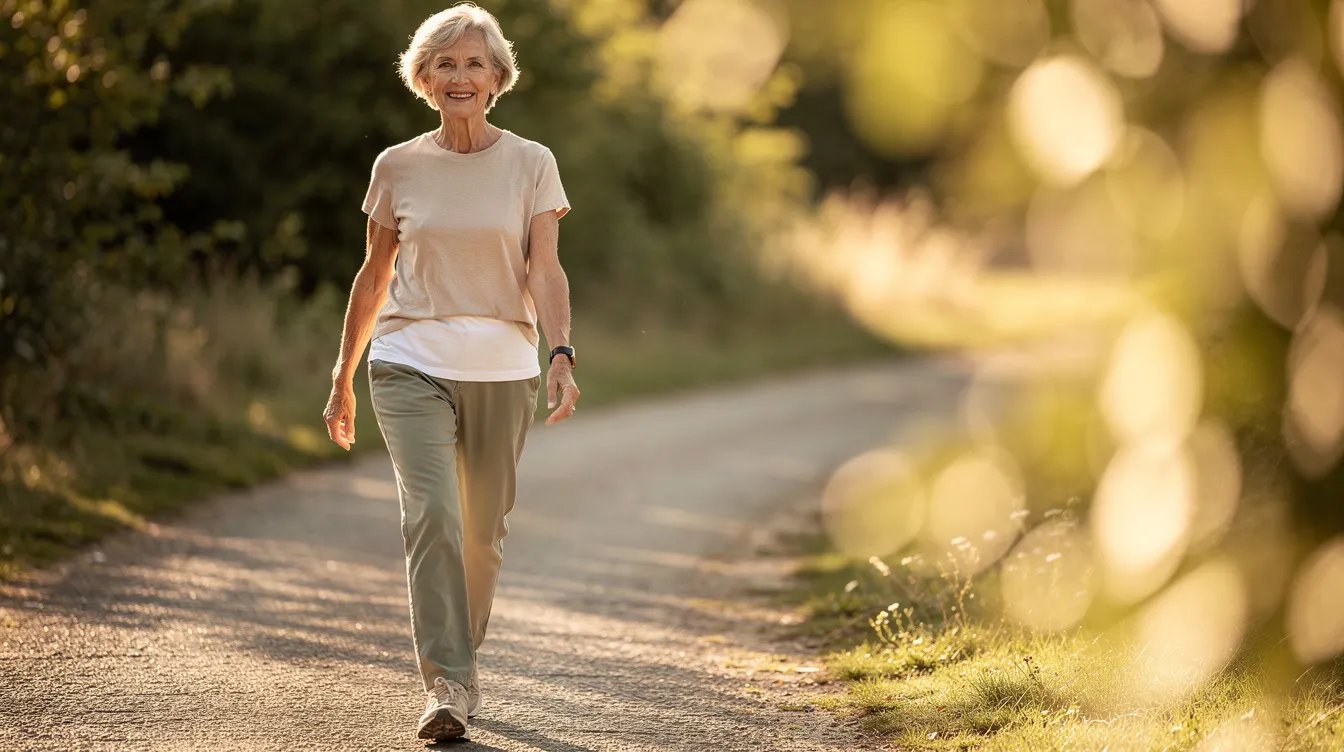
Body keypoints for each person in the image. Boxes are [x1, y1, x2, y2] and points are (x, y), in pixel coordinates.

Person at [321, 2, 580, 742]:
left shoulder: (531, 162)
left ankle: (458, 669)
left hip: (502, 367)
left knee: (482, 532)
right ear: (424, 78)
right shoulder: (397, 166)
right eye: (445, 63)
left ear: (497, 77)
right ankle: (448, 683)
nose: (459, 76)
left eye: (473, 63)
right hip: (409, 362)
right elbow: (374, 276)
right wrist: (343, 375)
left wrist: (561, 353)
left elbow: (544, 269)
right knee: (432, 513)